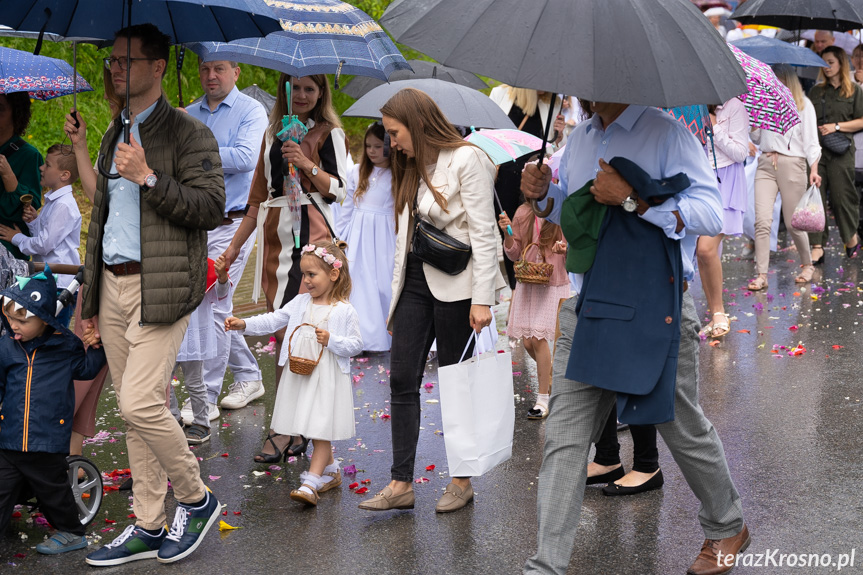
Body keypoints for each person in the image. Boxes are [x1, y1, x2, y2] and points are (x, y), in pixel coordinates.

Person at [521, 101, 748, 575]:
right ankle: (546, 566)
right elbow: (579, 214)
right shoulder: (580, 138)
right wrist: (545, 197)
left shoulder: (666, 133)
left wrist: (635, 200)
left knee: (678, 424)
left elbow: (711, 214)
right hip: (590, 306)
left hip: (655, 303)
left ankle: (727, 523)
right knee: (564, 441)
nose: (585, 87)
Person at [65, 24, 225, 566]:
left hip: (162, 285)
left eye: (126, 60)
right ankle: (149, 524)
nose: (114, 68)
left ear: (157, 67)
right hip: (111, 283)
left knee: (137, 401)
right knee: (138, 412)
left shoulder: (189, 133)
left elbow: (209, 209)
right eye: (111, 60)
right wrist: (89, 289)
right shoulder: (115, 129)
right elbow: (103, 208)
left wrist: (151, 177)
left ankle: (196, 498)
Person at [358, 88, 506, 514]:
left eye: (394, 132)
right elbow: (404, 240)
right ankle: (401, 482)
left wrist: (483, 299)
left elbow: (484, 233)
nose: (390, 142)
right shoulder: (407, 167)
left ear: (417, 125)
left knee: (456, 384)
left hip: (458, 287)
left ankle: (461, 481)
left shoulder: (467, 158)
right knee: (401, 379)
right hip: (414, 285)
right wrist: (395, 304)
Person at [225, 72, 349, 460]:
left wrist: (306, 163)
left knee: (306, 329)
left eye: (309, 89)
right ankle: (292, 425)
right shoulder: (271, 134)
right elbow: (257, 200)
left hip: (313, 235)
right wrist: (231, 251)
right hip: (276, 239)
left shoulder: (330, 134)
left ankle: (287, 428)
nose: (301, 95)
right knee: (283, 330)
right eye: (294, 87)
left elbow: (340, 190)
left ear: (321, 92)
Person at [226, 242, 362, 505]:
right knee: (311, 424)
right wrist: (244, 324)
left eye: (312, 275)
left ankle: (310, 483)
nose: (307, 281)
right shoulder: (300, 303)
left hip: (326, 378)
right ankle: (331, 471)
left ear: (333, 274)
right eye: (304, 274)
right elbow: (274, 320)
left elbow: (355, 345)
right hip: (300, 374)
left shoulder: (344, 310)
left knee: (320, 430)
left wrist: (332, 340)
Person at [0, 267, 106, 555]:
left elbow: (87, 370)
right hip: (9, 439)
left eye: (22, 319)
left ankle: (72, 532)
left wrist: (97, 346)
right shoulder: (6, 349)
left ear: (45, 320)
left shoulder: (65, 347)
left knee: (53, 492)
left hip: (46, 440)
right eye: (9, 318)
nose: (14, 325)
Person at [186, 59, 268, 419]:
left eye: (219, 69)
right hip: (194, 223)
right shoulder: (188, 112)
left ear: (237, 72)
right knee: (209, 306)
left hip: (235, 222)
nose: (210, 76)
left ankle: (204, 398)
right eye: (204, 69)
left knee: (215, 305)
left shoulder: (252, 111)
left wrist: (195, 150)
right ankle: (250, 376)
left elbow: (246, 158)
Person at [749, 65, 821, 290]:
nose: (773, 84)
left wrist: (814, 169)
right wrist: (754, 120)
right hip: (766, 163)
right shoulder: (765, 104)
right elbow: (758, 138)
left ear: (788, 80)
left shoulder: (803, 105)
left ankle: (807, 264)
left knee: (793, 223)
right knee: (761, 221)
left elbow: (811, 141)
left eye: (778, 79)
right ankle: (761, 274)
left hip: (792, 164)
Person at [490, 85, 565, 288]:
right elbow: (489, 133)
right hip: (505, 176)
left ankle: (537, 279)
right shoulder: (501, 94)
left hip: (534, 178)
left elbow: (553, 150)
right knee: (509, 231)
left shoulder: (552, 103)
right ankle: (516, 286)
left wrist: (559, 136)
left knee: (536, 230)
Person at [498, 204, 568, 419]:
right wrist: (507, 233)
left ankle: (543, 398)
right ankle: (554, 382)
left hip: (552, 282)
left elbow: (574, 245)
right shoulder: (522, 212)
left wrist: (564, 248)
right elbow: (514, 254)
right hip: (528, 281)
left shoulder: (560, 209)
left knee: (538, 339)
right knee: (528, 342)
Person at [337, 121, 395, 352]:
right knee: (359, 283)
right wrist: (339, 238)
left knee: (383, 283)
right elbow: (347, 208)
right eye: (368, 145)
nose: (372, 151)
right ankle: (362, 337)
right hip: (358, 236)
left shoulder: (397, 174)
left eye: (378, 146)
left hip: (384, 236)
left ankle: (386, 334)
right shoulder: (357, 171)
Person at [698, 98, 750, 338]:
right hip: (698, 178)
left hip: (725, 180)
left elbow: (740, 153)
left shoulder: (734, 107)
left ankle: (719, 311)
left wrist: (715, 127)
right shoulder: (692, 105)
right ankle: (713, 312)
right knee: (705, 254)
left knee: (706, 249)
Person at [808, 46, 863, 262]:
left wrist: (837, 127)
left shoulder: (854, 91)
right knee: (815, 197)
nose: (827, 67)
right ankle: (817, 245)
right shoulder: (816, 91)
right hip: (817, 151)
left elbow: (861, 120)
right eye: (824, 63)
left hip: (841, 151)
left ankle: (850, 237)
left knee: (842, 197)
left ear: (841, 62)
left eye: (831, 62)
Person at [169, 256, 231, 444]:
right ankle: (173, 417)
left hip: (193, 331)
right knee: (162, 379)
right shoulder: (162, 260)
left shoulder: (204, 263)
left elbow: (219, 296)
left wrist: (222, 277)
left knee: (194, 381)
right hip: (168, 329)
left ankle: (202, 422)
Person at [0, 144, 81, 288]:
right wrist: (33, 221)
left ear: (64, 175)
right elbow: (47, 235)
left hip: (58, 283)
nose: (41, 168)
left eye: (48, 165)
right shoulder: (54, 201)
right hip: (49, 279)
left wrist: (16, 238)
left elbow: (44, 245)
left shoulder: (63, 205)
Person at [0, 92, 43, 260]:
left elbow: (28, 211)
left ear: (17, 113)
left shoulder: (29, 156)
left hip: (8, 253)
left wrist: (8, 177)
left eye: (0, 109)